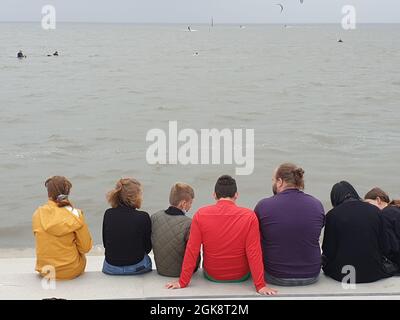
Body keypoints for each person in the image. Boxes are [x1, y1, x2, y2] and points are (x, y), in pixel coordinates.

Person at [166, 175, 277, 295]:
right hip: (241, 275)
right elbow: (254, 252)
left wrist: (182, 282)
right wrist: (260, 285)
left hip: (212, 275)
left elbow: (192, 250)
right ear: (236, 195)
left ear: (214, 195)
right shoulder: (249, 216)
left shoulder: (200, 215)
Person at [255, 163, 325, 286]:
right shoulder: (317, 205)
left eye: (273, 180)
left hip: (275, 275)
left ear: (280, 181)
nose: (273, 183)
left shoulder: (263, 206)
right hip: (312, 274)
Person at [322, 181, 392, 283]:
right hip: (373, 272)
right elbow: (385, 246)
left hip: (342, 274)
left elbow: (328, 250)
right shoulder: (375, 211)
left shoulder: (332, 215)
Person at [32, 176, 92, 280]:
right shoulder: (75, 214)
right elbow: (85, 248)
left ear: (48, 193)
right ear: (68, 192)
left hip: (45, 270)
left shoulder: (37, 214)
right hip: (70, 270)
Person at [102, 178, 152, 275]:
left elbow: (105, 244)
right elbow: (147, 248)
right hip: (137, 267)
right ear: (136, 196)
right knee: (147, 259)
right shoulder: (143, 216)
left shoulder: (108, 214)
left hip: (111, 268)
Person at [151, 183, 200, 277]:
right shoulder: (189, 223)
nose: (190, 206)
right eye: (190, 203)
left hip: (161, 269)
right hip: (180, 272)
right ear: (183, 203)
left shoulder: (155, 217)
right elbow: (194, 254)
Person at [365, 187, 400, 267]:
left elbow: (393, 247)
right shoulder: (395, 209)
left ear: (378, 200)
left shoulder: (384, 215)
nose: (367, 208)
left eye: (368, 203)